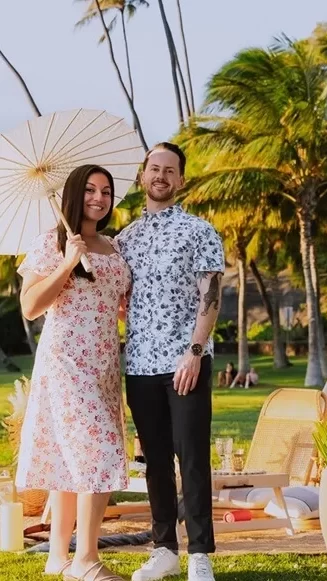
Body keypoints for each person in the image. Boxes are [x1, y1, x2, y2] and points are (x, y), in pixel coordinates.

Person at [16, 164, 130, 581]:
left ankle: (57, 557)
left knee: (72, 459)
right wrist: (67, 263)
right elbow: (30, 307)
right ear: (74, 194)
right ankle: (85, 559)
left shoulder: (114, 247)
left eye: (106, 191)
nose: (99, 198)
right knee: (99, 453)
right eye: (90, 190)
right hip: (65, 364)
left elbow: (116, 301)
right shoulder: (53, 242)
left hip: (103, 367)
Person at [117, 142, 225, 581]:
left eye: (169, 170)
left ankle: (200, 554)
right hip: (140, 365)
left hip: (186, 361)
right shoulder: (123, 239)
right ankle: (164, 548)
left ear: (180, 180)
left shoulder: (200, 230)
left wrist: (195, 352)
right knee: (155, 460)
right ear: (144, 176)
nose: (160, 176)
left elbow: (211, 295)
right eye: (154, 168)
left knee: (192, 457)